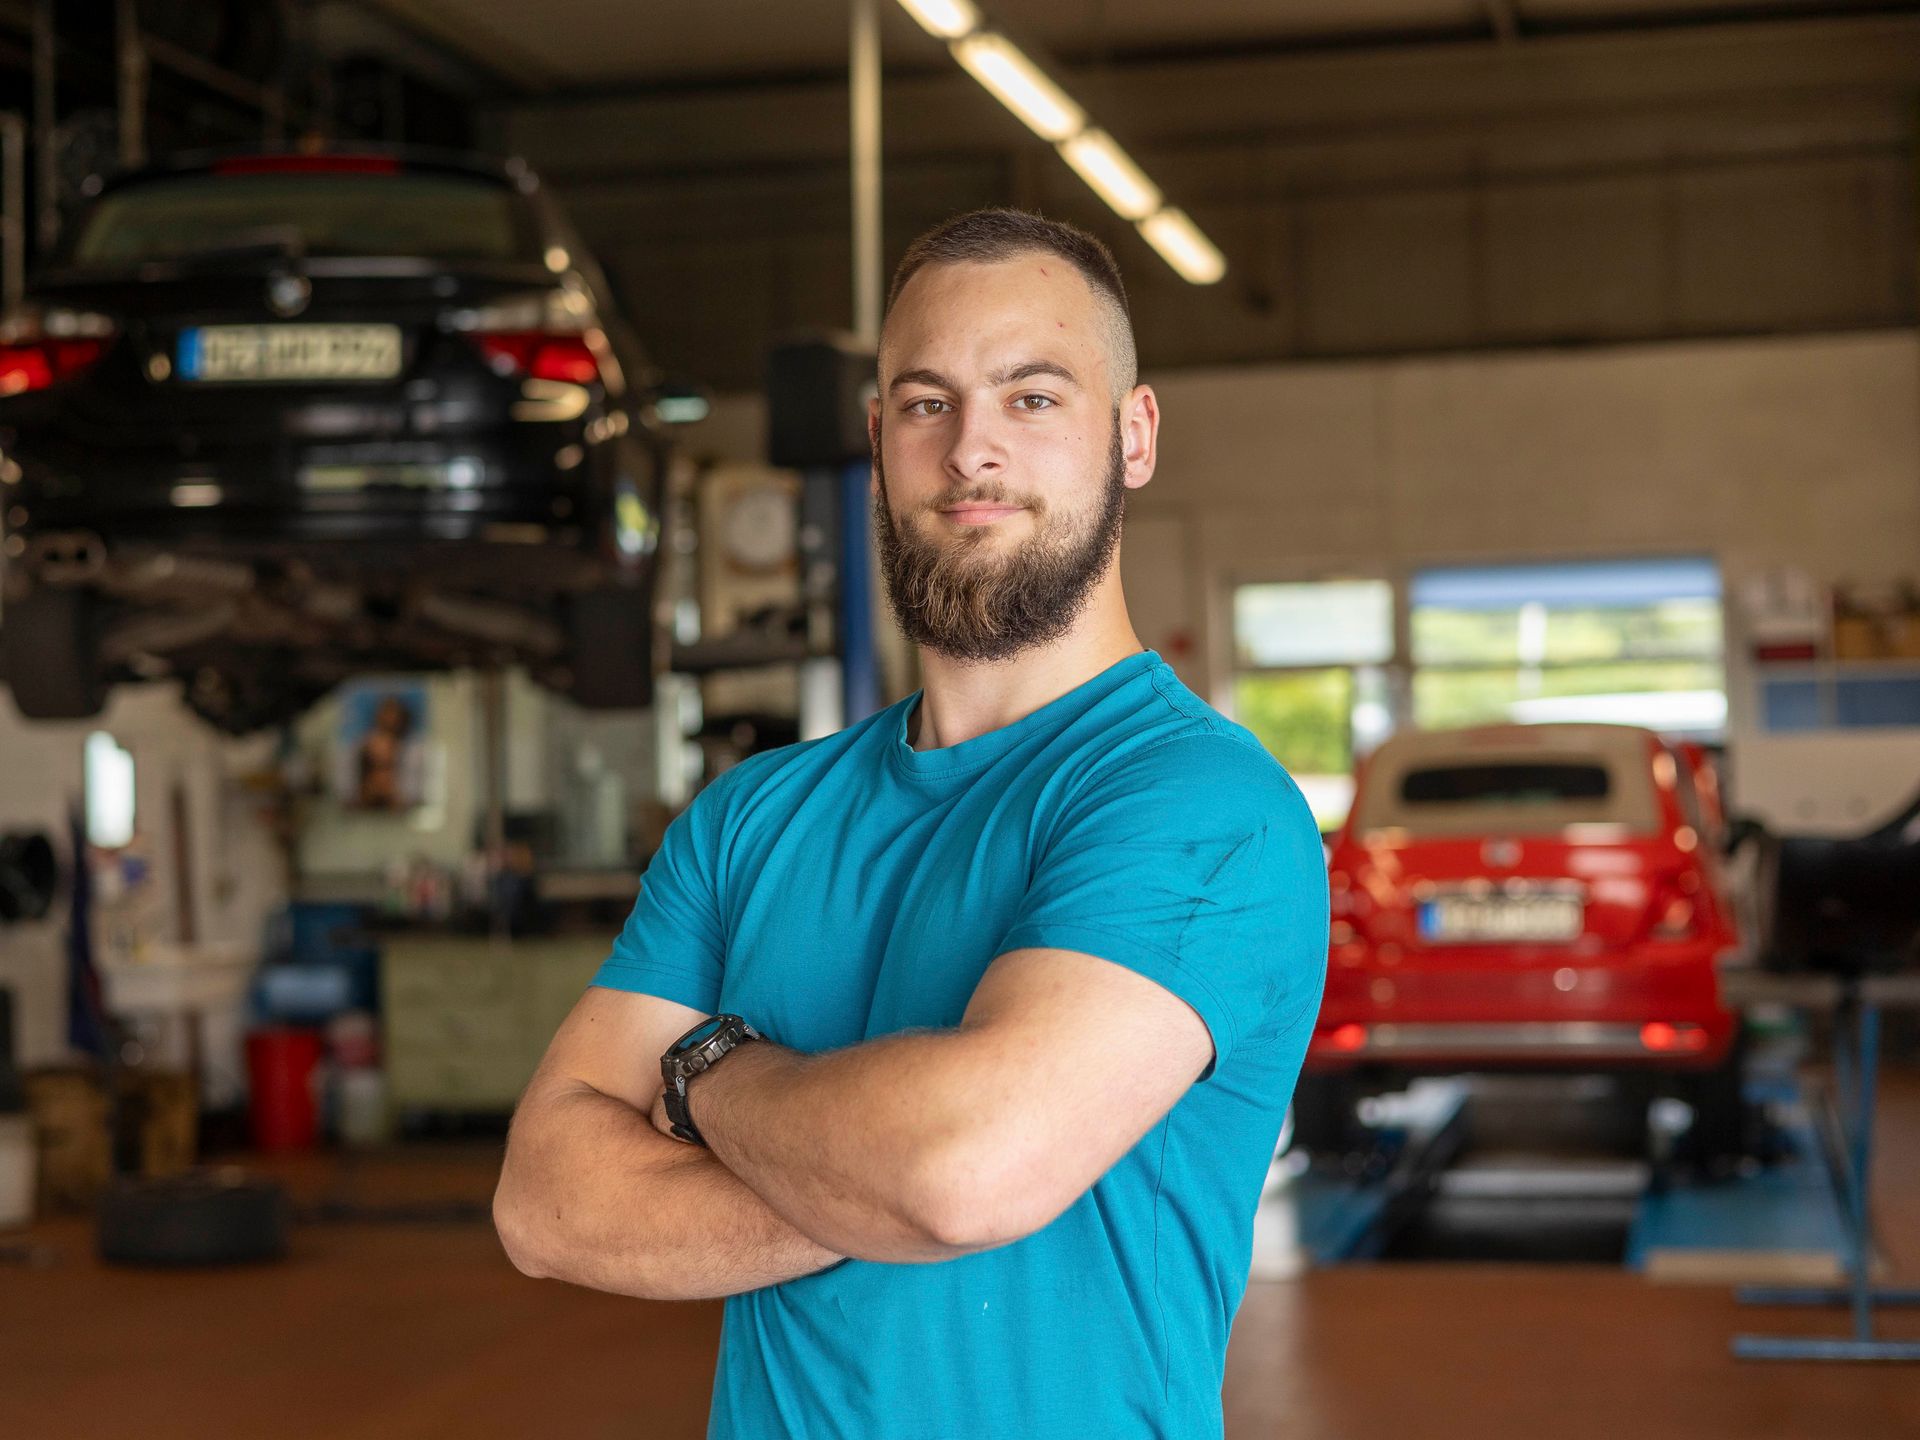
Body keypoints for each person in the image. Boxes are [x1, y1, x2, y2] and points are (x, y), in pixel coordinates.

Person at [494, 208, 1329, 1440]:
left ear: (1132, 435)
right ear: (879, 440)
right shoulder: (751, 821)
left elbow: (959, 1174)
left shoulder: (1206, 808)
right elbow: (546, 1204)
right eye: (928, 404)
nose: (971, 452)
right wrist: (869, 1176)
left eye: (1033, 398)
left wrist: (708, 1071)